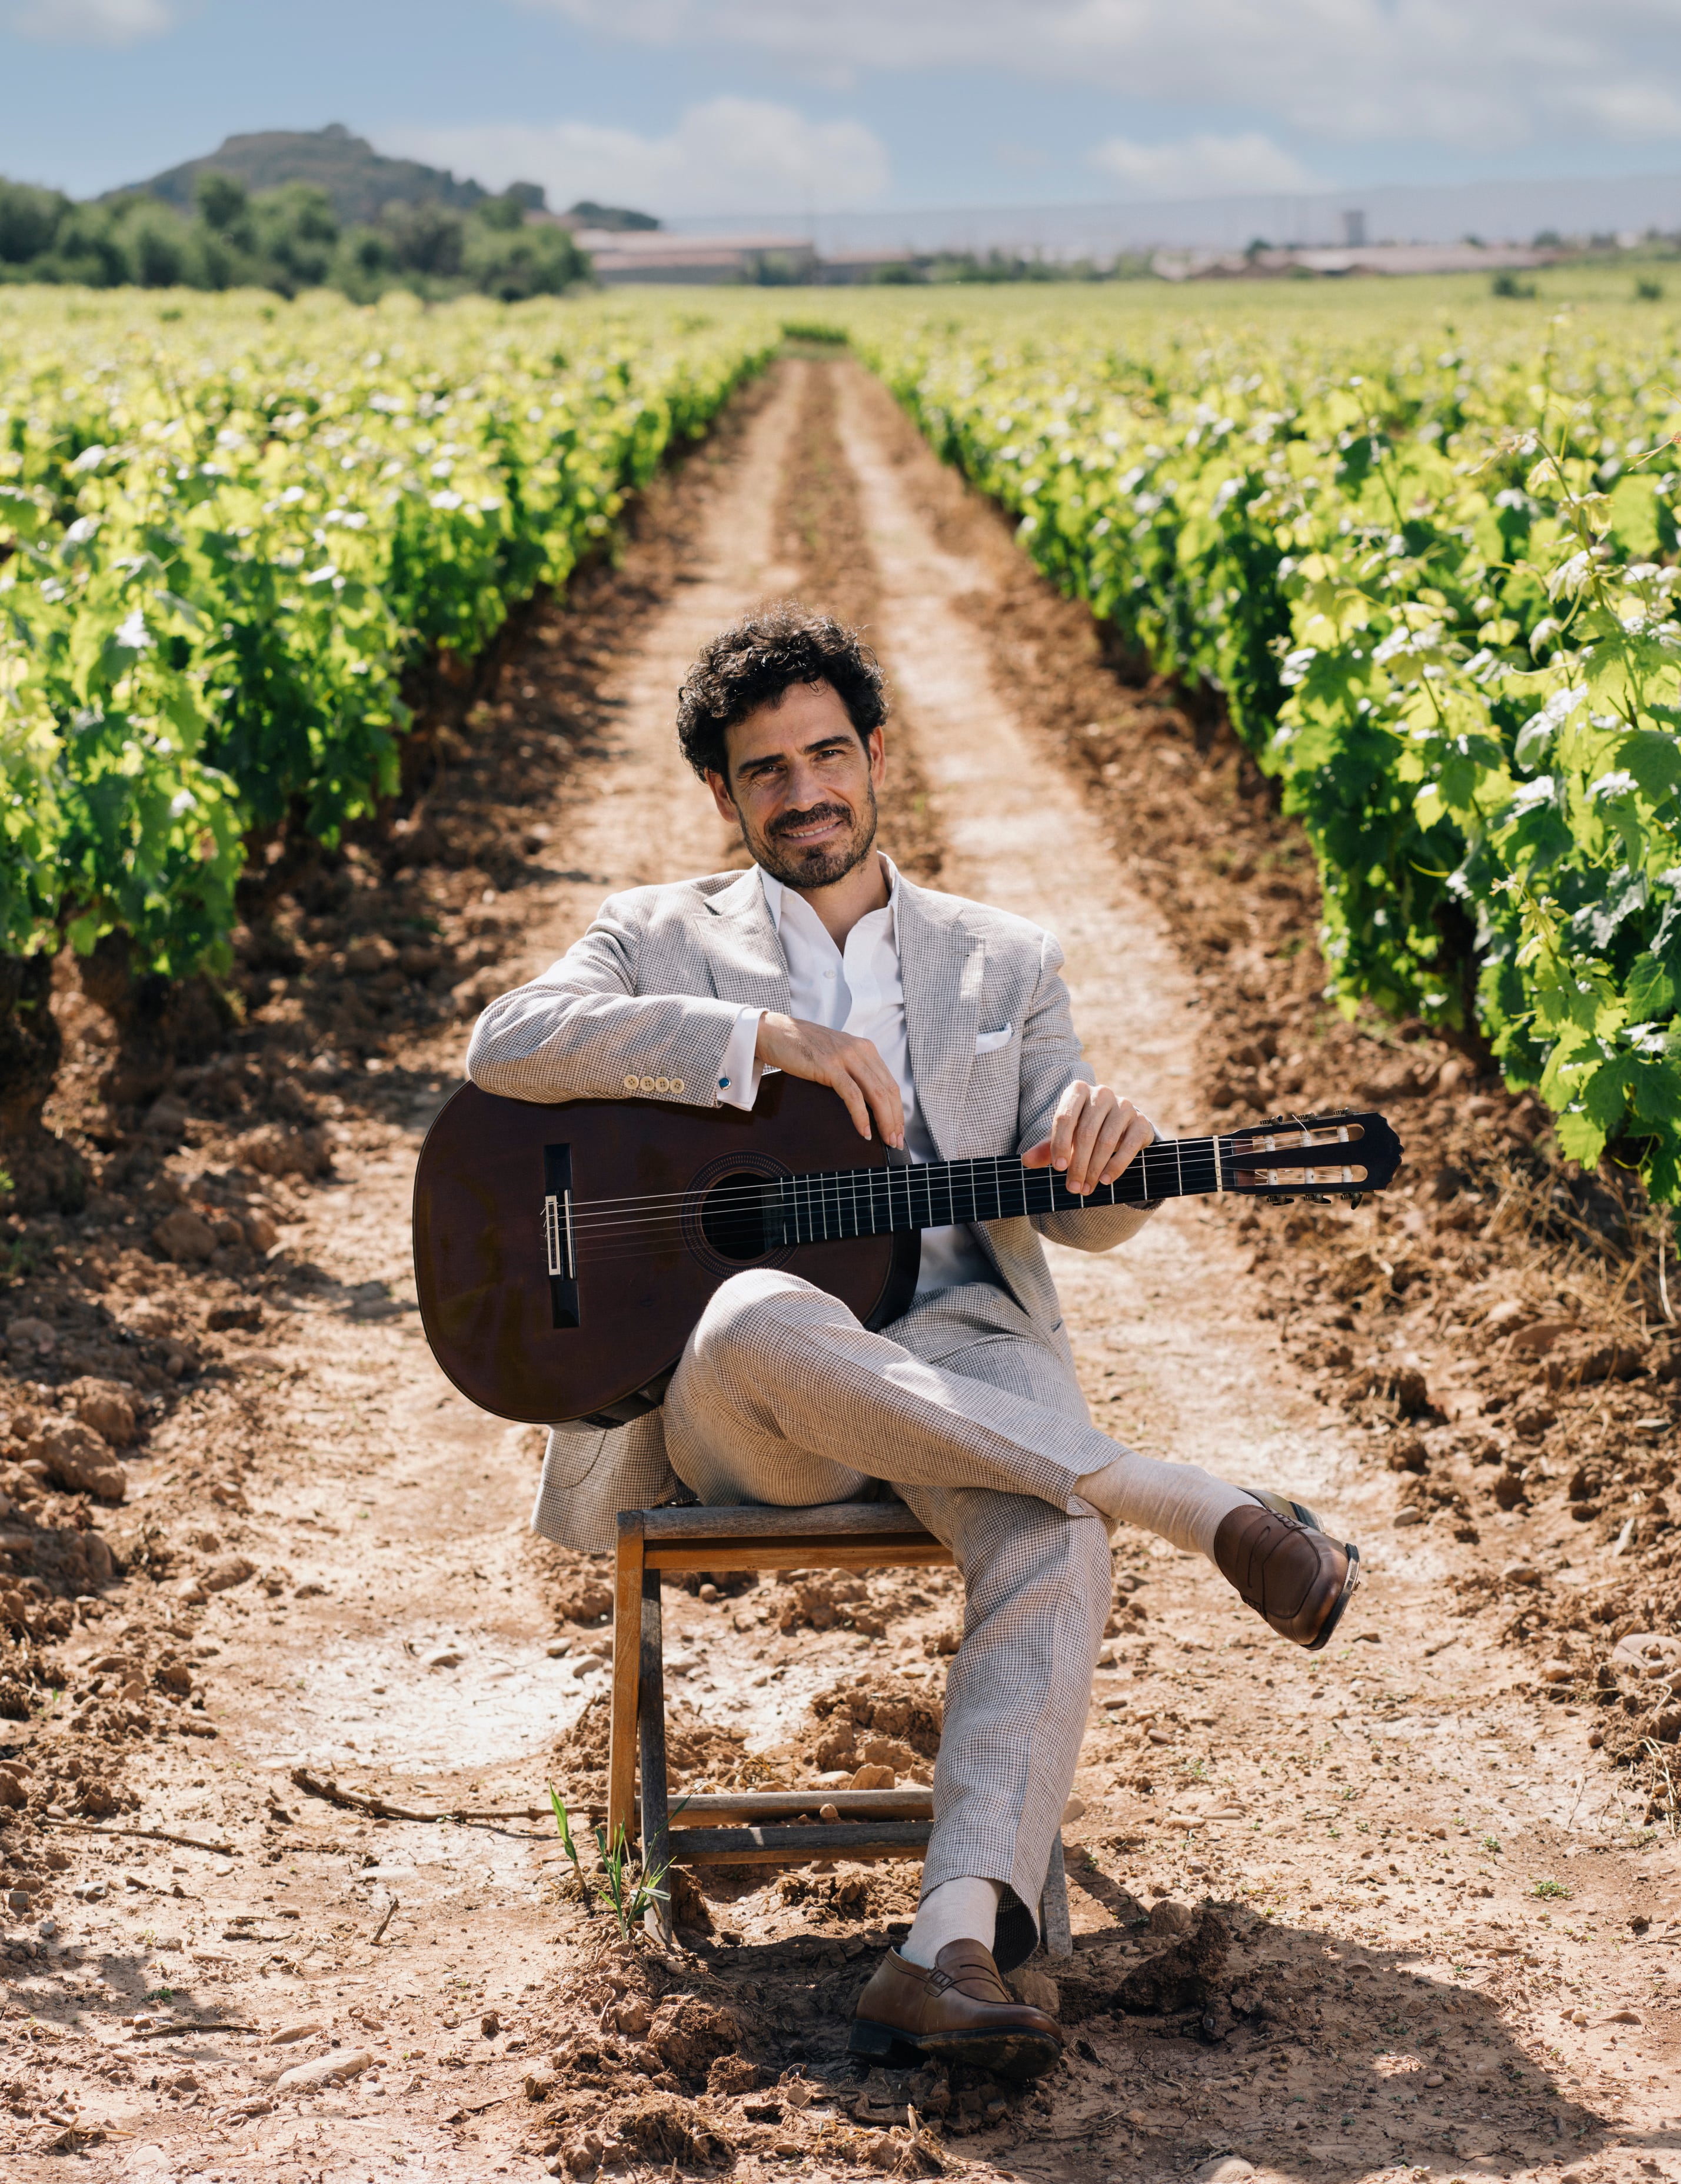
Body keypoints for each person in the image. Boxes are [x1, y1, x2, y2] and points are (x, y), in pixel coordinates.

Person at [466, 604, 1359, 2078]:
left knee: (1052, 1533)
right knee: (761, 1302)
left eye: (829, 754)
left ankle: (945, 1943)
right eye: (766, 772)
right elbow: (508, 1042)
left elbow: (1075, 1216)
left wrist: (1114, 1153)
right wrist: (755, 1044)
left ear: (877, 756)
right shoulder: (658, 935)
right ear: (723, 795)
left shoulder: (1001, 959)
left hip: (966, 1344)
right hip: (748, 1393)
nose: (806, 792)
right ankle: (1188, 1500)